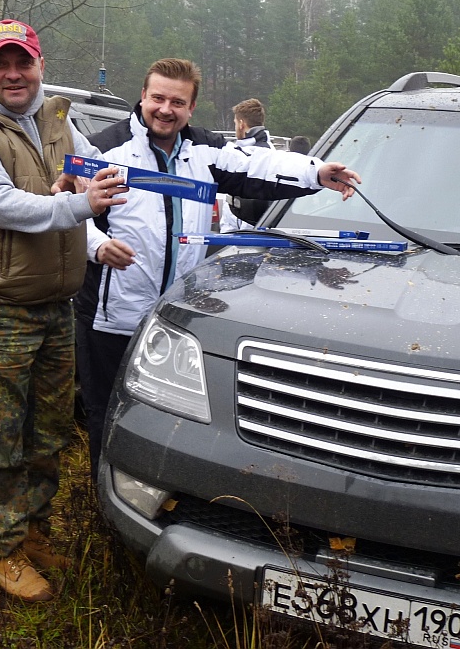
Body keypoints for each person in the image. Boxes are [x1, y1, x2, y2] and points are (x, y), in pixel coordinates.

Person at [60, 58, 361, 480]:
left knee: (167, 415)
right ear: (142, 96)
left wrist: (317, 172)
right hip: (110, 318)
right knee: (106, 413)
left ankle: (157, 494)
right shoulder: (104, 148)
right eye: (158, 98)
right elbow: (70, 206)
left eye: (177, 102)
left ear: (192, 107)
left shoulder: (204, 149)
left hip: (174, 316)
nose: (166, 110)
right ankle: (103, 494)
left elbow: (259, 164)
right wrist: (97, 246)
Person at [0, 19, 128, 602]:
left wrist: (95, 186)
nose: (14, 75)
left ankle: (31, 532)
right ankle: (1, 550)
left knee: (49, 433)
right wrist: (81, 204)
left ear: (40, 65)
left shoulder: (57, 118)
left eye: (24, 63)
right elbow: (5, 206)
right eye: (2, 64)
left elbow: (93, 169)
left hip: (54, 305)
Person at [219, 98, 274, 232]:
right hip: (237, 224)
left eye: (235, 123)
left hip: (247, 228)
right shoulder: (267, 151)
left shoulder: (258, 154)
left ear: (241, 124)